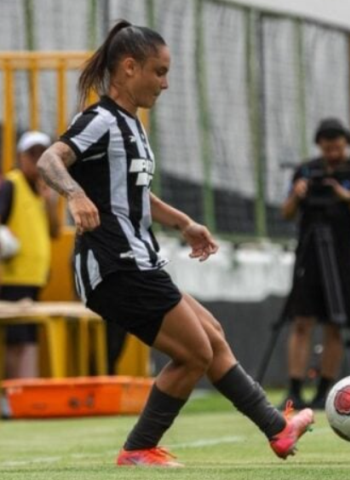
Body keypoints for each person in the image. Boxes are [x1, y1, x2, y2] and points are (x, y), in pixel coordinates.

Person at [37, 20, 313, 467]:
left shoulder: (132, 127)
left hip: (136, 260)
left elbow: (133, 192)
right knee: (195, 353)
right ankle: (138, 448)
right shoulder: (101, 119)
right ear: (129, 68)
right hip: (113, 264)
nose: (165, 84)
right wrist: (75, 194)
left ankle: (277, 430)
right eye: (159, 71)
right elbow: (51, 159)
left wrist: (184, 222)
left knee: (212, 336)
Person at [281, 118, 350, 409]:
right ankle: (295, 389)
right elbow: (286, 213)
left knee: (335, 324)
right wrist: (297, 195)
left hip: (342, 258)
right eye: (327, 147)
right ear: (319, 146)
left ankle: (325, 390)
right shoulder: (307, 171)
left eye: (337, 147)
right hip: (308, 257)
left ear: (346, 144)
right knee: (302, 322)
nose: (332, 153)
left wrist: (345, 196)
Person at [0, 131, 60, 379]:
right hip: (13, 280)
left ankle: (25, 396)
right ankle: (13, 397)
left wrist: (50, 202)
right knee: (18, 342)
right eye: (31, 154)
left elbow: (55, 231)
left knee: (28, 340)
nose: (36, 160)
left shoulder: (43, 191)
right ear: (20, 157)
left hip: (34, 280)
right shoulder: (11, 185)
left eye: (41, 154)